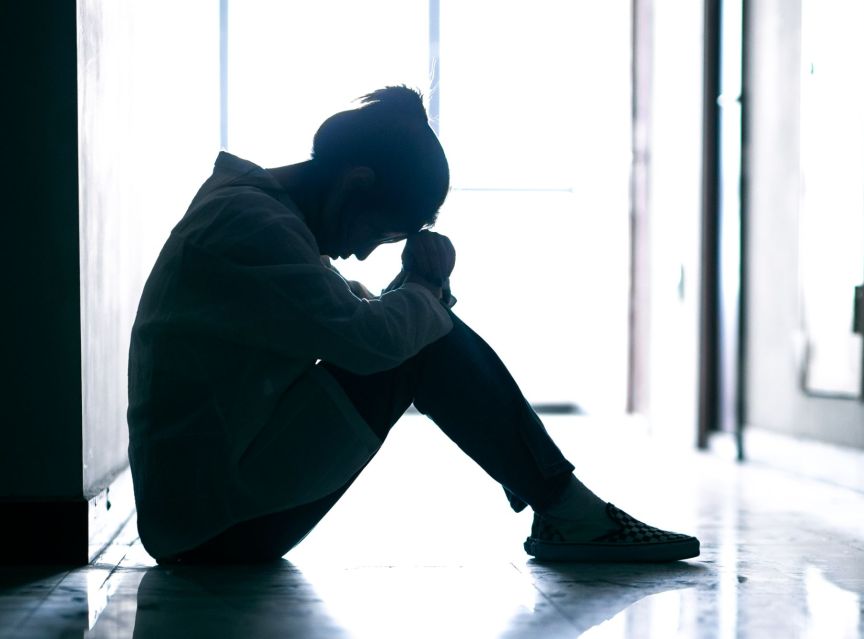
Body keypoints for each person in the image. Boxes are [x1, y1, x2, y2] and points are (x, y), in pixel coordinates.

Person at [127, 86, 699, 564]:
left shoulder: (254, 213)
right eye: (382, 233)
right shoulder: (254, 225)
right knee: (423, 343)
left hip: (207, 511)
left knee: (421, 330)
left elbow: (347, 319)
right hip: (211, 530)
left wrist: (417, 293)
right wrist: (424, 288)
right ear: (354, 184)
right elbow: (369, 342)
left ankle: (561, 506)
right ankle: (570, 513)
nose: (364, 251)